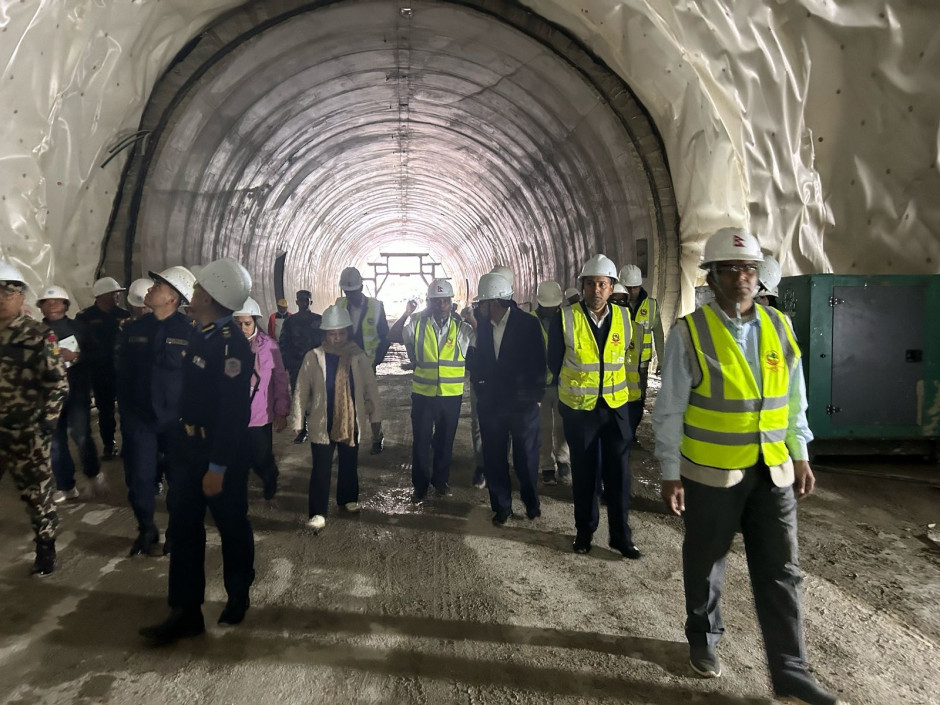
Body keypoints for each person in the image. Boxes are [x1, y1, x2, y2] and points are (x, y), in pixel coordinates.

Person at [652, 228, 843, 705]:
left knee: (782, 570)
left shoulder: (779, 327)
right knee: (706, 562)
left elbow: (794, 399)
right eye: (732, 268)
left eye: (750, 268)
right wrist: (670, 471)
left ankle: (791, 670)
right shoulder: (690, 333)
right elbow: (670, 409)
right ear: (712, 277)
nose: (743, 276)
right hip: (711, 474)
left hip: (772, 471)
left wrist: (800, 452)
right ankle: (704, 639)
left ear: (759, 277)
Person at [140, 258, 255, 645]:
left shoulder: (232, 346)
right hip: (188, 448)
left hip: (220, 452)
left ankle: (238, 595)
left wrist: (218, 466)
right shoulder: (200, 334)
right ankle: (185, 611)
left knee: (231, 526)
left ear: (211, 296)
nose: (195, 293)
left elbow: (234, 413)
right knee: (185, 528)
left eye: (200, 288)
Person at [547, 254, 641, 559]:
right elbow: (554, 362)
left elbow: (625, 358)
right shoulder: (566, 318)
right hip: (581, 409)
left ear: (612, 287)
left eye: (602, 284)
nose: (596, 290)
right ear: (582, 287)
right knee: (585, 474)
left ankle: (621, 537)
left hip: (615, 408)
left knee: (619, 476)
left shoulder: (624, 318)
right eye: (590, 284)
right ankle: (584, 532)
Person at [116, 266, 197, 556]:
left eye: (158, 286)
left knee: (180, 483)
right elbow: (123, 374)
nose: (150, 289)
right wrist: (126, 414)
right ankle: (146, 530)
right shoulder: (135, 329)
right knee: (139, 480)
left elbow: (200, 380)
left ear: (173, 298)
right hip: (140, 420)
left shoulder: (191, 332)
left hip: (176, 422)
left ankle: (176, 534)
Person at [0, 262, 68, 575]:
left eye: (9, 293)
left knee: (36, 494)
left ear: (21, 298)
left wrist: (45, 424)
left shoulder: (39, 336)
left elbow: (58, 384)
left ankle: (45, 546)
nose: (2, 299)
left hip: (27, 432)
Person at [291, 304, 382, 531]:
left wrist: (376, 417)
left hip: (351, 420)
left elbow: (370, 387)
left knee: (349, 462)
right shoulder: (313, 357)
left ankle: (348, 498)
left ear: (347, 332)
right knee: (321, 468)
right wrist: (297, 420)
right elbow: (301, 390)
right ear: (324, 334)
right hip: (323, 421)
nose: (337, 338)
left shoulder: (358, 356)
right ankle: (317, 512)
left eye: (341, 333)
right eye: (332, 334)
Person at [468, 272, 545, 524]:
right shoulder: (482, 327)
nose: (478, 307)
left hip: (523, 406)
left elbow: (539, 362)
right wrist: (480, 388)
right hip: (492, 405)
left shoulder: (528, 324)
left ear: (494, 302)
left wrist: (535, 397)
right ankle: (501, 507)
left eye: (481, 303)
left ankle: (531, 502)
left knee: (526, 459)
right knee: (494, 457)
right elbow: (477, 363)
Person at [388, 279, 474, 502]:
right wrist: (406, 313)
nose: (441, 305)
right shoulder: (417, 324)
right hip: (423, 395)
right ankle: (420, 486)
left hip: (451, 396)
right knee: (421, 441)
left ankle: (440, 481)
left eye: (445, 301)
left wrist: (472, 319)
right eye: (436, 301)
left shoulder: (462, 328)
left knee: (445, 442)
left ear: (451, 303)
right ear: (429, 302)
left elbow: (484, 342)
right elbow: (393, 335)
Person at [36, 286, 103, 502]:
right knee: (56, 442)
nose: (53, 305)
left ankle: (93, 474)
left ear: (66, 305)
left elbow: (97, 355)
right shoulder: (35, 333)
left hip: (76, 392)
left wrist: (75, 357)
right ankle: (66, 486)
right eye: (47, 302)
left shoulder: (79, 328)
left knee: (81, 435)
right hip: (48, 396)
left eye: (58, 301)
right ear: (41, 307)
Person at [234, 297, 290, 500]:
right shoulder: (227, 345)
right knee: (238, 458)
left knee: (260, 456)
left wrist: (281, 411)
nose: (242, 328)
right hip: (234, 414)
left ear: (255, 322)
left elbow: (280, 379)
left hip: (260, 414)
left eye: (247, 323)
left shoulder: (269, 347)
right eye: (238, 324)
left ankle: (270, 476)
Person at [335, 266, 389, 454]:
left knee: (371, 402)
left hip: (367, 365)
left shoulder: (376, 306)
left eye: (353, 291)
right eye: (347, 292)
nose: (350, 295)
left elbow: (385, 337)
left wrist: (376, 360)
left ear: (361, 288)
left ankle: (377, 437)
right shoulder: (339, 306)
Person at [76, 276, 131, 458]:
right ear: (101, 295)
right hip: (99, 372)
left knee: (126, 410)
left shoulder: (124, 315)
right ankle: (109, 444)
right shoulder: (85, 317)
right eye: (113, 293)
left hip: (122, 372)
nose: (117, 297)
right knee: (105, 411)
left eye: (118, 293)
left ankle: (127, 445)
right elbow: (78, 345)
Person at [531, 281, 571, 486]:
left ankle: (563, 461)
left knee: (563, 426)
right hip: (539, 385)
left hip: (563, 382)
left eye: (554, 306)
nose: (551, 309)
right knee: (543, 428)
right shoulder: (530, 320)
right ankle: (546, 465)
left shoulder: (566, 318)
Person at [619, 264, 664, 443]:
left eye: (635, 288)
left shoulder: (651, 306)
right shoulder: (614, 305)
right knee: (620, 400)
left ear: (640, 286)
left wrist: (662, 361)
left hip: (641, 365)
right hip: (619, 364)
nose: (632, 292)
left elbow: (658, 334)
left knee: (638, 401)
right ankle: (623, 434)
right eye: (628, 288)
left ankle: (631, 434)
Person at [279, 289, 322, 444]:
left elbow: (326, 342)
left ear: (311, 302)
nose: (304, 303)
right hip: (297, 366)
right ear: (297, 302)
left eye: (306, 300)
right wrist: (287, 364)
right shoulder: (290, 322)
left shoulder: (319, 320)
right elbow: (283, 343)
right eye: (301, 300)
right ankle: (302, 429)